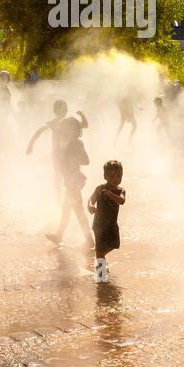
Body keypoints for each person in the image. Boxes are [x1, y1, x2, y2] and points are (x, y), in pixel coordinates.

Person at [46, 116, 92, 249]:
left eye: (66, 129)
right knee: (66, 210)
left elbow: (86, 160)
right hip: (71, 181)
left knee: (79, 212)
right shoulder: (72, 143)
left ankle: (90, 240)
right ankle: (59, 235)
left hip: (74, 181)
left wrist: (74, 156)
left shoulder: (76, 143)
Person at [88, 160, 126, 284]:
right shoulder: (100, 188)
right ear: (105, 177)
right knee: (99, 250)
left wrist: (110, 194)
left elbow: (121, 201)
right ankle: (101, 278)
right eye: (112, 176)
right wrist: (90, 206)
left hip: (111, 226)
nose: (116, 179)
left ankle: (102, 264)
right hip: (99, 225)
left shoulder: (121, 191)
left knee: (111, 245)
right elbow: (91, 200)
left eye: (118, 176)